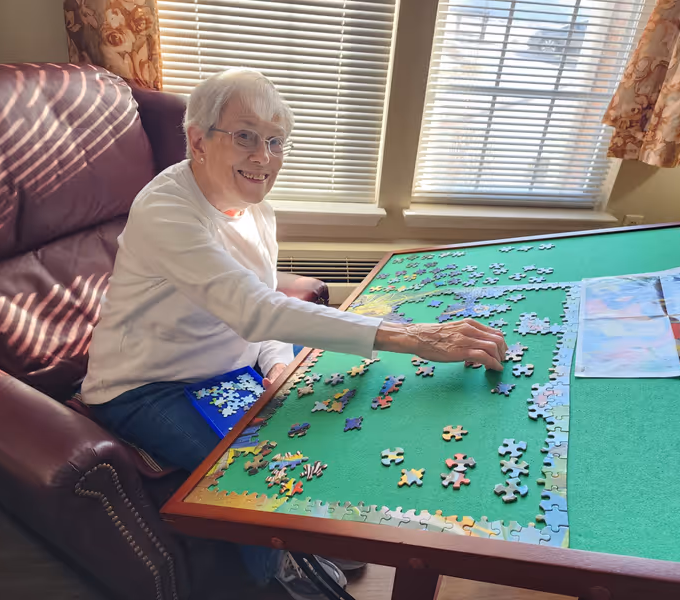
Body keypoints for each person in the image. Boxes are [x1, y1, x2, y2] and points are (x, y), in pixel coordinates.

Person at [82, 68, 506, 600]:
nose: (264, 156)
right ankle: (284, 578)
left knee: (341, 388)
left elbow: (262, 305)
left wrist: (277, 361)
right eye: (245, 136)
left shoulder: (256, 208)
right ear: (198, 140)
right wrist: (416, 336)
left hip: (231, 366)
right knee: (253, 476)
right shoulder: (165, 210)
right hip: (147, 388)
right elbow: (256, 309)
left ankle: (318, 531)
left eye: (276, 141)